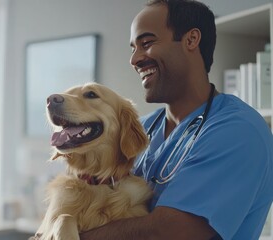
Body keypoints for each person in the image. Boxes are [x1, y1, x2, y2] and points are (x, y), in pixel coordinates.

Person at [80, 0, 273, 239]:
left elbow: (169, 232)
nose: (134, 59)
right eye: (133, 48)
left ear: (191, 40)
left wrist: (70, 236)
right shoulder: (142, 128)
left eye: (147, 43)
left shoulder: (239, 131)